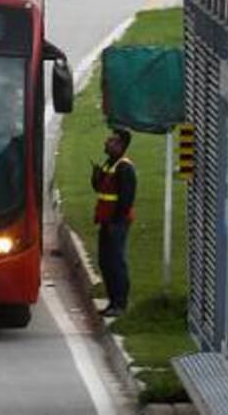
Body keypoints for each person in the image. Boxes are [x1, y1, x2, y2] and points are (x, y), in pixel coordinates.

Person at [91, 128, 136, 317]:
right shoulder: (110, 164)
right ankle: (112, 301)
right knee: (105, 261)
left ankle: (120, 303)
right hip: (106, 221)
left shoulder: (125, 167)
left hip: (116, 223)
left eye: (111, 141)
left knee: (116, 262)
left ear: (120, 145)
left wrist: (115, 221)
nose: (106, 143)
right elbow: (102, 190)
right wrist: (96, 177)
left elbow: (126, 199)